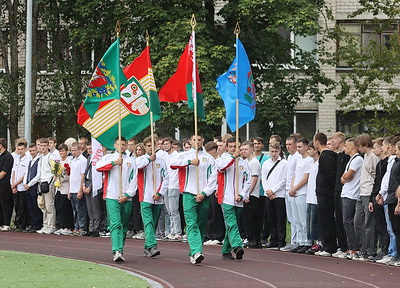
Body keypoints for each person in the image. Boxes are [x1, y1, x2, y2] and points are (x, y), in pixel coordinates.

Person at [171, 134, 216, 264]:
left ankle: (194, 251)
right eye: (194, 140)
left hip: (204, 195)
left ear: (203, 141)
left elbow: (213, 178)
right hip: (189, 193)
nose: (197, 142)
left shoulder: (209, 158)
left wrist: (205, 193)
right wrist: (190, 162)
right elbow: (173, 164)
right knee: (191, 223)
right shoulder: (184, 155)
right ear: (191, 141)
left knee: (201, 223)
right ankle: (197, 251)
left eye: (199, 140)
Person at [97, 137, 138, 262]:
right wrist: (114, 163)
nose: (122, 146)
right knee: (116, 224)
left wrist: (127, 195)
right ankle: (117, 250)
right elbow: (99, 167)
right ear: (115, 145)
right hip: (112, 196)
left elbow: (134, 179)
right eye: (119, 144)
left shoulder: (131, 160)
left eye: (124, 144)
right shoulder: (108, 158)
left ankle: (120, 248)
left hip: (126, 197)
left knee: (124, 226)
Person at [216, 137, 250, 260]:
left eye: (236, 147)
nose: (233, 149)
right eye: (231, 147)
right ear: (226, 147)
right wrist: (232, 157)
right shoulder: (222, 159)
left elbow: (248, 181)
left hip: (238, 199)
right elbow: (221, 168)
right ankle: (237, 246)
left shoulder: (244, 163)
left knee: (232, 225)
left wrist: (242, 194)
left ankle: (225, 250)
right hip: (226, 198)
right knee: (232, 223)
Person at [136, 136, 169, 258]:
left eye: (153, 145)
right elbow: (138, 167)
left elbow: (166, 179)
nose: (151, 148)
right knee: (148, 222)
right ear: (145, 147)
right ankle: (153, 245)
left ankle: (147, 247)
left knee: (153, 223)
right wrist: (150, 159)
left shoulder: (162, 161)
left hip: (158, 198)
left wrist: (160, 193)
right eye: (149, 146)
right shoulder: (141, 159)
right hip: (145, 197)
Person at [353, 134, 379, 261]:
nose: (358, 149)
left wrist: (373, 194)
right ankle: (363, 247)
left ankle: (370, 249)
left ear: (365, 145)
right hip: (361, 191)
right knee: (358, 221)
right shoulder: (365, 156)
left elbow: (376, 175)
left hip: (368, 192)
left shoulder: (373, 156)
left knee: (369, 223)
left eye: (359, 146)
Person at [338, 138, 363, 259]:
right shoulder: (350, 160)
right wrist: (344, 178)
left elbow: (347, 176)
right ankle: (351, 247)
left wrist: (345, 178)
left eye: (346, 146)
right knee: (346, 221)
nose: (344, 148)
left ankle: (354, 248)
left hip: (352, 194)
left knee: (348, 221)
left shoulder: (357, 159)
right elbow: (343, 178)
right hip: (346, 192)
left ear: (353, 147)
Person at [313, 133, 338, 257]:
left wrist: (327, 189)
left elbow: (330, 175)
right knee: (324, 219)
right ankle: (327, 244)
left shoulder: (326, 156)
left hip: (326, 193)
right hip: (324, 192)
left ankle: (330, 246)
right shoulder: (324, 156)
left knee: (326, 219)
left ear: (317, 142)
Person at [289, 138, 313, 253]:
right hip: (295, 192)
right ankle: (300, 240)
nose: (298, 149)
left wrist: (296, 188)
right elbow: (295, 175)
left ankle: (307, 242)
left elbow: (305, 178)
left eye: (300, 147)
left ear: (306, 147)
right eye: (297, 147)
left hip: (303, 192)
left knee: (304, 220)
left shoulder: (308, 160)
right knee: (296, 219)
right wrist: (292, 187)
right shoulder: (299, 160)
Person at [262, 141, 287, 250]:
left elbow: (284, 179)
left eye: (276, 151)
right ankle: (273, 238)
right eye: (272, 151)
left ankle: (281, 240)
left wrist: (273, 190)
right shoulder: (266, 163)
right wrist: (267, 190)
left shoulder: (284, 163)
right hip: (268, 194)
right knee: (270, 218)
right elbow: (263, 178)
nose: (274, 153)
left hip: (279, 194)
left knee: (280, 218)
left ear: (280, 151)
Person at [280, 135, 302, 252]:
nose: (288, 147)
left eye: (290, 144)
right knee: (291, 218)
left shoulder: (298, 157)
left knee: (297, 218)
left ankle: (298, 240)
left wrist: (294, 188)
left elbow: (297, 175)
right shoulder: (289, 157)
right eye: (287, 144)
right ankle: (294, 240)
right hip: (287, 190)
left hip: (294, 190)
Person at [370, 138, 389, 261]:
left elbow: (385, 182)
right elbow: (376, 182)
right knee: (379, 226)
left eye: (376, 147)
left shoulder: (388, 162)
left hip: (383, 197)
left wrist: (381, 195)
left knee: (386, 226)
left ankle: (386, 250)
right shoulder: (379, 164)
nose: (374, 150)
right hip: (376, 196)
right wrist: (373, 198)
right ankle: (382, 248)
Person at [331, 132, 350, 258]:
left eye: (333, 141)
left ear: (339, 141)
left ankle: (347, 246)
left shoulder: (347, 156)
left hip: (344, 190)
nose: (332, 143)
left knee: (344, 219)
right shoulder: (339, 156)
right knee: (338, 218)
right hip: (337, 190)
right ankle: (342, 245)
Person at [241, 141, 262, 249]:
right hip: (246, 194)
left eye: (246, 149)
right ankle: (249, 237)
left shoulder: (254, 162)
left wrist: (247, 193)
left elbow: (254, 179)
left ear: (251, 149)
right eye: (242, 149)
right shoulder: (245, 162)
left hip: (252, 194)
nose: (243, 151)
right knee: (247, 218)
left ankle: (255, 239)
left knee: (252, 218)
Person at [252, 136, 270, 246]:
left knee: (262, 215)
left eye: (259, 143)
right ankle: (253, 236)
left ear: (262, 145)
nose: (257, 145)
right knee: (252, 215)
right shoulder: (250, 158)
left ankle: (263, 236)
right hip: (253, 192)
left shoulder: (266, 159)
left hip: (262, 191)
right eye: (255, 143)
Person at [36, 138, 57, 234]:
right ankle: (45, 225)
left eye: (45, 145)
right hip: (41, 183)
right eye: (41, 145)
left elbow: (55, 171)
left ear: (48, 146)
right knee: (42, 205)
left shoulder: (51, 157)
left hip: (48, 184)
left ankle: (51, 225)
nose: (43, 147)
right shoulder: (40, 157)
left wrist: (50, 182)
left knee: (49, 205)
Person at [163, 137, 182, 241]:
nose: (165, 146)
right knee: (169, 211)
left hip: (174, 185)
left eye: (167, 144)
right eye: (164, 144)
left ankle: (177, 232)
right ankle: (171, 231)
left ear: (172, 145)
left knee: (174, 210)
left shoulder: (177, 156)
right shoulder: (166, 157)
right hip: (166, 185)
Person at [305, 141, 322, 255]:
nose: (308, 151)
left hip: (316, 196)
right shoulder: (312, 163)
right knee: (310, 221)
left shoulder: (319, 162)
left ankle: (320, 242)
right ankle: (314, 241)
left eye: (310, 149)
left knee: (316, 221)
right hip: (309, 195)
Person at [53, 143, 74, 235]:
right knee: (58, 207)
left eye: (63, 151)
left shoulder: (70, 161)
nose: (61, 153)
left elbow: (71, 176)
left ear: (66, 151)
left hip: (66, 187)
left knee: (64, 207)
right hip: (58, 187)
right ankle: (61, 225)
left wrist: (62, 178)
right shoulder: (57, 162)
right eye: (60, 151)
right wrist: (55, 177)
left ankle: (68, 226)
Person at [10, 141, 31, 231]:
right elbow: (14, 172)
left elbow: (24, 175)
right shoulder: (16, 159)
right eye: (19, 149)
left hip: (22, 187)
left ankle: (23, 225)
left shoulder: (27, 159)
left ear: (25, 149)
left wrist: (16, 183)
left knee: (23, 207)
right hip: (16, 187)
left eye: (22, 149)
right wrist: (13, 185)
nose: (20, 151)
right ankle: (17, 224)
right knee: (17, 206)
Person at [68, 142, 88, 235]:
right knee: (75, 210)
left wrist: (80, 190)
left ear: (80, 149)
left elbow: (83, 175)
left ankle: (82, 227)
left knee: (80, 209)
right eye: (72, 151)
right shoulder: (73, 160)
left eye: (75, 150)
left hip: (78, 189)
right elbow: (71, 176)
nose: (73, 152)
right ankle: (76, 227)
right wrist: (69, 191)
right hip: (72, 188)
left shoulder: (83, 160)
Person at [23, 143, 42, 233]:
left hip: (34, 186)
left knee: (35, 206)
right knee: (30, 206)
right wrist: (25, 183)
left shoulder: (39, 160)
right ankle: (32, 224)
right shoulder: (30, 161)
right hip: (28, 187)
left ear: (37, 150)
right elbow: (26, 173)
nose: (32, 152)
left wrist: (29, 184)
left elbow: (38, 175)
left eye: (33, 150)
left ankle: (37, 225)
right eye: (30, 151)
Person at [0, 138, 14, 232]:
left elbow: (4, 172)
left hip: (4, 184)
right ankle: (1, 223)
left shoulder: (8, 156)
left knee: (5, 204)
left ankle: (6, 223)